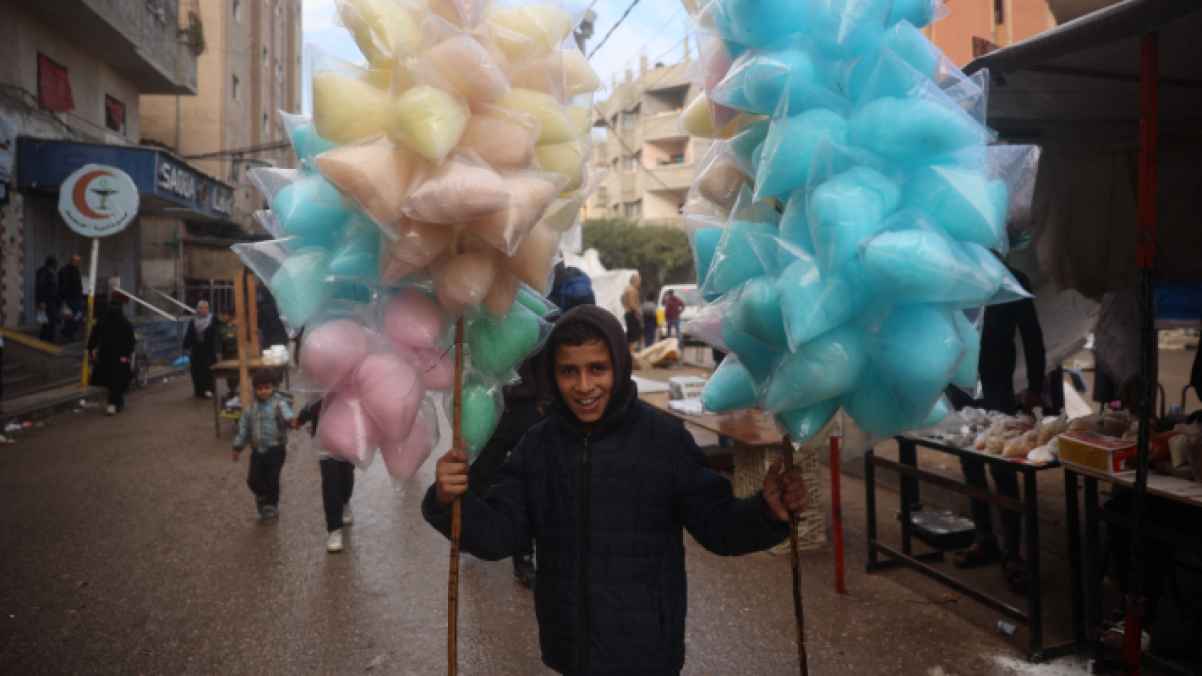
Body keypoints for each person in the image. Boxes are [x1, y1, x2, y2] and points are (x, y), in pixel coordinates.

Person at [423, 306, 807, 675]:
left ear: (620, 367)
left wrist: (766, 513)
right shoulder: (538, 446)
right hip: (570, 649)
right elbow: (499, 535)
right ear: (552, 376)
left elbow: (718, 526)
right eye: (569, 372)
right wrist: (449, 501)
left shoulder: (664, 440)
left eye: (597, 369)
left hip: (648, 651)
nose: (584, 386)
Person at [953, 262, 1047, 594]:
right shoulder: (955, 272)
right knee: (971, 464)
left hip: (997, 387)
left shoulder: (1011, 277)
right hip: (960, 386)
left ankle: (1014, 554)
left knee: (1003, 469)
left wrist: (1036, 386)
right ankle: (985, 539)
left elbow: (1032, 335)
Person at [466, 357, 549, 588]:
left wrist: (544, 400)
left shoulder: (534, 328)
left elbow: (544, 367)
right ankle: (468, 527)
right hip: (493, 409)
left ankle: (523, 558)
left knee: (528, 484)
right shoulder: (480, 325)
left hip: (528, 409)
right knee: (481, 472)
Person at [294, 398, 355, 553]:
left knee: (346, 478)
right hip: (324, 445)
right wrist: (301, 419)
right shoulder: (320, 387)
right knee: (331, 484)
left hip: (348, 442)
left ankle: (345, 501)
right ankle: (334, 529)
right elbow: (311, 402)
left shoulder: (352, 385)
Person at [232, 370, 295, 521]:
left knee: (272, 478)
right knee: (253, 480)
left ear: (273, 387)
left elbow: (288, 416)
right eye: (260, 388)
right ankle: (263, 496)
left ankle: (271, 506)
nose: (263, 391)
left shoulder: (280, 403)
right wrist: (237, 447)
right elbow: (244, 430)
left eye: (267, 387)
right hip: (257, 451)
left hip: (276, 449)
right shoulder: (250, 409)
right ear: (255, 390)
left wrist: (291, 421)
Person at [88, 294, 136, 416]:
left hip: (106, 355)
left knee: (111, 380)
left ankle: (115, 403)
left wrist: (91, 348)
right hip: (121, 356)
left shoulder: (102, 321)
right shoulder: (125, 322)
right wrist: (128, 354)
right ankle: (113, 404)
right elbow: (131, 340)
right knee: (119, 380)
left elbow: (94, 336)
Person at [183, 300, 220, 399]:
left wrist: (218, 349)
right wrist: (186, 345)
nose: (202, 310)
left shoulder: (213, 319)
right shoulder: (193, 321)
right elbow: (189, 335)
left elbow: (218, 334)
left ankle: (209, 389)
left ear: (208, 309)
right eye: (200, 308)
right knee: (196, 370)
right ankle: (199, 390)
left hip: (209, 350)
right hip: (197, 350)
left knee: (208, 371)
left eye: (204, 308)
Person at [57, 254, 84, 341]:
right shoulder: (66, 271)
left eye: (78, 261)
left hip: (75, 298)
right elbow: (63, 285)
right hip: (70, 298)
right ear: (72, 261)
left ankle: (68, 332)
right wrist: (63, 297)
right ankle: (68, 333)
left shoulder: (75, 270)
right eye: (76, 261)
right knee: (72, 316)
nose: (77, 263)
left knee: (76, 316)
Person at [35, 256, 59, 343]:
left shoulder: (50, 272)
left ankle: (44, 338)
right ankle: (49, 339)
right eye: (55, 264)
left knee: (47, 321)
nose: (56, 266)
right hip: (47, 301)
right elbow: (40, 287)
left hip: (50, 300)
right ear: (51, 264)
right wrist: (41, 301)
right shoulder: (44, 272)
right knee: (50, 321)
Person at [621, 272, 642, 352]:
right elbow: (633, 304)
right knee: (634, 337)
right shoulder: (632, 290)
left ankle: (629, 353)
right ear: (635, 281)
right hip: (632, 314)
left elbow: (622, 299)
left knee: (630, 336)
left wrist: (625, 307)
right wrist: (639, 313)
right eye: (639, 281)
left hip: (628, 313)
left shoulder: (626, 289)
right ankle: (632, 355)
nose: (640, 283)